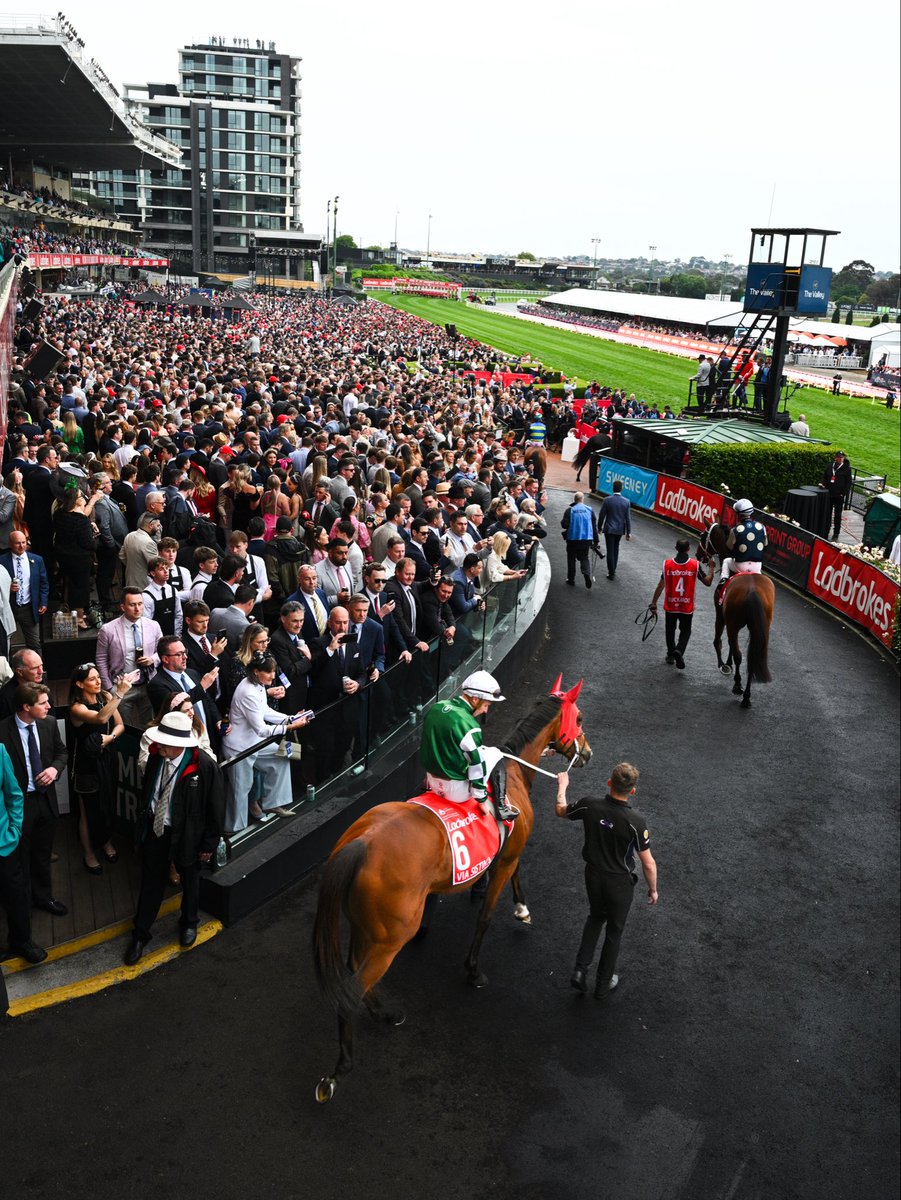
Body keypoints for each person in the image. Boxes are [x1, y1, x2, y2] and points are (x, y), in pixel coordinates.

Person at [123, 711, 226, 966]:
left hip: (188, 835)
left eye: (164, 742)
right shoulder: (158, 757)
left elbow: (216, 807)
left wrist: (209, 844)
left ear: (181, 744)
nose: (158, 746)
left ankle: (189, 923)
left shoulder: (204, 765)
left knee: (190, 879)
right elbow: (149, 790)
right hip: (158, 832)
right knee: (151, 882)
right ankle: (140, 934)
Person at [555, 763, 657, 999]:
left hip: (593, 876)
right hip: (619, 884)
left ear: (609, 783)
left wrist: (563, 786)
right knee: (614, 931)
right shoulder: (635, 821)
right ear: (632, 791)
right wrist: (653, 890)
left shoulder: (589, 805)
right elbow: (648, 863)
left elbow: (561, 810)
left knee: (595, 917)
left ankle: (580, 971)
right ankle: (602, 986)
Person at [0, 682, 69, 918]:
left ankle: (44, 897)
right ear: (26, 706)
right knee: (18, 859)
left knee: (42, 854)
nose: (50, 706)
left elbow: (62, 753)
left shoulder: (48, 724)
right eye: (43, 703)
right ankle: (21, 904)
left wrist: (53, 770)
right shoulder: (2, 731)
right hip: (18, 807)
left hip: (45, 801)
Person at [222, 653, 311, 831]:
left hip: (256, 742)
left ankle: (272, 804)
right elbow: (262, 729)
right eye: (269, 672)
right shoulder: (248, 691)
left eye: (273, 672)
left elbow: (265, 711)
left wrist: (290, 718)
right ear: (256, 672)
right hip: (239, 749)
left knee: (283, 756)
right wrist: (289, 727)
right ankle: (234, 830)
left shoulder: (258, 685)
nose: (273, 676)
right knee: (241, 789)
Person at [419, 670, 517, 822]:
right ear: (475, 698)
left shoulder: (437, 707)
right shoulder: (469, 724)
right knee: (495, 753)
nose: (486, 710)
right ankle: (501, 808)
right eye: (486, 704)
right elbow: (476, 763)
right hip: (455, 792)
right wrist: (481, 798)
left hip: (431, 781)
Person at [67, 663, 131, 873]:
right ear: (80, 684)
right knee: (87, 812)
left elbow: (119, 725)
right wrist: (119, 694)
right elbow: (101, 718)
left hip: (105, 759)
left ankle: (106, 842)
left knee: (106, 804)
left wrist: (109, 738)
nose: (98, 681)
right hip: (86, 766)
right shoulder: (77, 707)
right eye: (92, 679)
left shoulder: (104, 696)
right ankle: (88, 853)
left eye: (98, 677)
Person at [0, 741, 47, 964]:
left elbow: (14, 794)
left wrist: (15, 829)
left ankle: (21, 943)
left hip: (4, 843)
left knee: (16, 894)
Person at [95, 589, 163, 726]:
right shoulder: (108, 629)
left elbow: (162, 652)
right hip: (121, 687)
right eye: (132, 605)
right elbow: (101, 659)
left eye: (140, 604)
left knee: (149, 725)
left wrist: (153, 660)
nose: (137, 608)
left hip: (147, 683)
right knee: (124, 726)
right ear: (122, 607)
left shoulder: (153, 626)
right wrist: (109, 687)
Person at [648, 537, 714, 668]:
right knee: (686, 631)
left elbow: (661, 585)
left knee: (670, 630)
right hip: (686, 606)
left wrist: (654, 603)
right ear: (689, 549)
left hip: (671, 605)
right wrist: (711, 568)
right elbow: (708, 582)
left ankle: (671, 654)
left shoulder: (667, 565)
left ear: (676, 548)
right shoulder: (694, 565)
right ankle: (679, 650)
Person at [1, 530, 49, 651]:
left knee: (34, 643)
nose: (22, 546)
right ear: (10, 544)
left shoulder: (37, 560)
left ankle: (37, 668)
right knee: (4, 643)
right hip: (8, 608)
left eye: (24, 542)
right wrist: (7, 587)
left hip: (29, 608)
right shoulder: (2, 561)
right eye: (18, 543)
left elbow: (43, 583)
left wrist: (43, 602)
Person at [716, 498, 768, 604]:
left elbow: (729, 547)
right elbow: (765, 544)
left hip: (741, 566)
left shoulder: (735, 529)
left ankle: (723, 582)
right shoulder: (762, 527)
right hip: (757, 567)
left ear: (739, 515)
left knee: (726, 561)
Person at [562, 491, 600, 589]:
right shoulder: (589, 510)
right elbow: (594, 527)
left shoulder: (570, 510)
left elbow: (564, 525)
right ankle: (586, 574)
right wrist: (596, 541)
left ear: (574, 500)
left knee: (571, 559)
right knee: (584, 558)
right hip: (586, 539)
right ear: (583, 499)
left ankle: (571, 579)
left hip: (572, 539)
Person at [598, 479, 632, 580]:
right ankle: (614, 569)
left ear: (613, 488)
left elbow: (601, 515)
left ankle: (611, 571)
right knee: (616, 549)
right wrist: (628, 532)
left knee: (610, 550)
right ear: (621, 489)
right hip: (619, 530)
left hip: (609, 529)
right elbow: (627, 518)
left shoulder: (607, 500)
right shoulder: (626, 502)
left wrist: (599, 527)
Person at [819, 450, 852, 541]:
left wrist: (843, 493)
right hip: (829, 494)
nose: (840, 459)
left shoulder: (847, 468)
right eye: (839, 457)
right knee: (827, 513)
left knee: (837, 515)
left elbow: (849, 483)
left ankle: (836, 533)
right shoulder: (830, 466)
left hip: (839, 496)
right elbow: (825, 476)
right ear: (836, 458)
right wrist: (822, 483)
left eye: (842, 457)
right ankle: (826, 530)